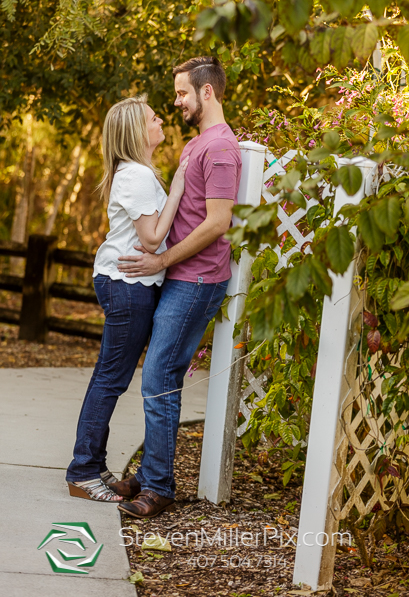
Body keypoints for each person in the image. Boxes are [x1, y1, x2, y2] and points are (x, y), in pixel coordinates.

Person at [108, 56, 241, 518]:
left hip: (197, 278)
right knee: (160, 376)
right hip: (180, 277)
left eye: (183, 92)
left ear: (207, 93)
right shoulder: (196, 145)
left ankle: (159, 485)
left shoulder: (220, 148)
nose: (177, 101)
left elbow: (218, 222)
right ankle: (150, 475)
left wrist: (161, 259)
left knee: (160, 377)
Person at [66, 94, 188, 502]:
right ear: (138, 130)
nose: (160, 121)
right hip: (127, 286)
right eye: (154, 118)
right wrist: (180, 187)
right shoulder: (135, 175)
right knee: (111, 378)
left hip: (130, 285)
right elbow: (153, 238)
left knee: (111, 377)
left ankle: (92, 463)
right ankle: (83, 470)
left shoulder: (138, 173)